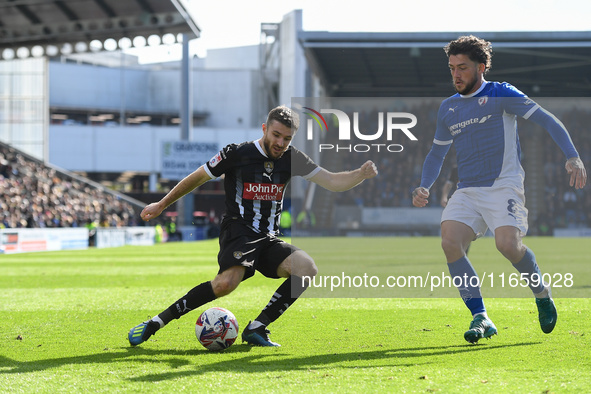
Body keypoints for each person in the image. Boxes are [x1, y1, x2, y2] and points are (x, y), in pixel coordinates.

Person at [128, 105, 378, 347]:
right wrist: (162, 204)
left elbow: (332, 181)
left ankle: (257, 327)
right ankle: (155, 323)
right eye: (276, 135)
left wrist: (360, 174)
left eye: (287, 138)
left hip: (268, 238)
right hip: (239, 230)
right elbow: (199, 176)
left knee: (307, 268)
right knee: (225, 284)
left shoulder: (293, 158)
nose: (280, 143)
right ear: (264, 129)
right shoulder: (237, 153)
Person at [412, 36, 587, 344]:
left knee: (508, 246)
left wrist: (572, 156)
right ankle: (480, 315)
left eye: (463, 68)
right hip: (467, 191)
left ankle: (542, 294)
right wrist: (424, 185)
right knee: (450, 242)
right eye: (452, 68)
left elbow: (547, 120)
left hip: (503, 185)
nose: (456, 75)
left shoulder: (501, 93)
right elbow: (437, 152)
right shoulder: (448, 108)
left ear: (481, 67)